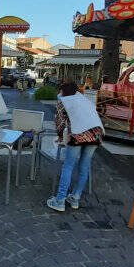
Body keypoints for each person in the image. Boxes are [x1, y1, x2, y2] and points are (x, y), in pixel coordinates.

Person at [47, 82, 104, 212]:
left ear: (62, 91)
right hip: (96, 134)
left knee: (68, 166)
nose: (59, 93)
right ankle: (75, 198)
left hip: (79, 134)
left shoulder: (64, 100)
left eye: (60, 91)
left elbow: (60, 123)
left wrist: (61, 138)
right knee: (84, 167)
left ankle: (60, 200)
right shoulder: (83, 98)